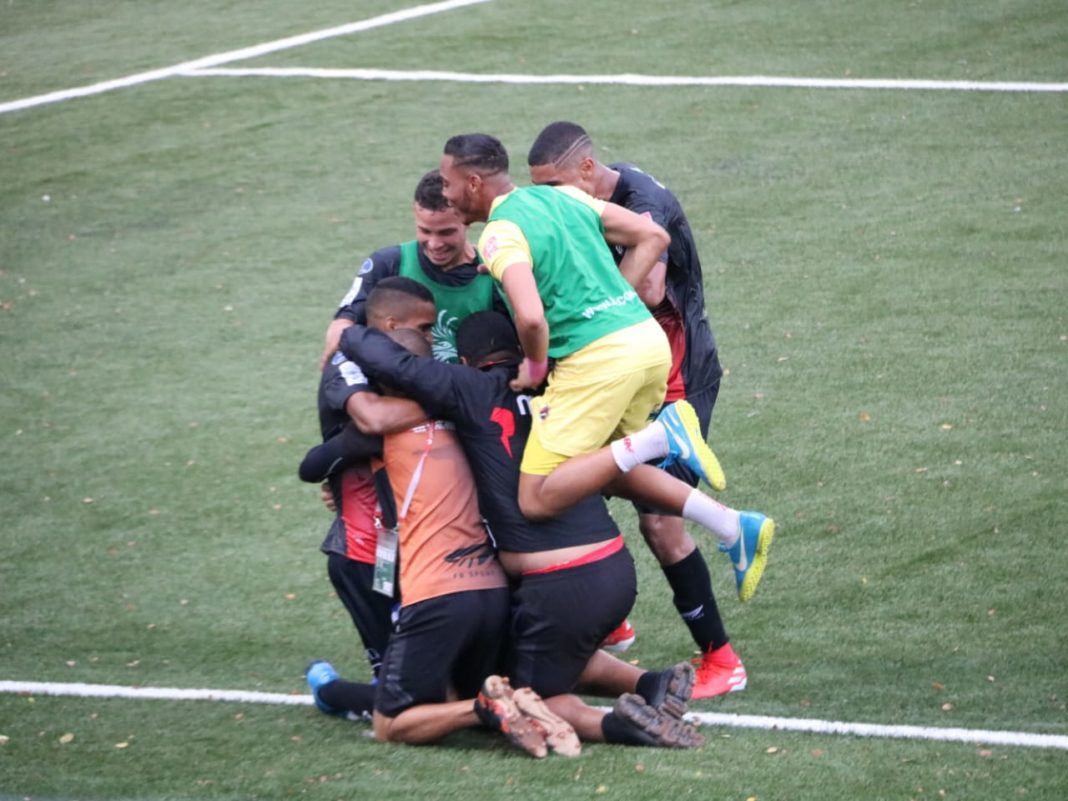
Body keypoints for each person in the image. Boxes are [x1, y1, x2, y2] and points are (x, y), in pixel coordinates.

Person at [340, 309, 731, 751]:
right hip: (612, 568)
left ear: (465, 362)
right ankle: (651, 684)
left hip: (559, 581)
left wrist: (346, 332)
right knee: (551, 656)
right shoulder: (557, 390)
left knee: (532, 696)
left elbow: (395, 371)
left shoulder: (471, 388)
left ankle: (622, 727)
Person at [526, 121, 775, 697]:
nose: (549, 199)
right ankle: (609, 619)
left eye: (555, 186)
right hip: (623, 369)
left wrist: (585, 308)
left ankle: (722, 660)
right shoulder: (592, 201)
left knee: (659, 522)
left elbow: (650, 291)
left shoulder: (642, 205)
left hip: (673, 374)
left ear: (587, 169)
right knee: (570, 468)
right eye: (539, 189)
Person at [437, 133, 726, 533]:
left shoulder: (499, 234)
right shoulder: (565, 197)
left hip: (601, 360)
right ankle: (732, 525)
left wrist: (535, 367)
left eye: (447, 183)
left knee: (535, 497)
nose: (445, 194)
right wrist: (616, 304)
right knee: (602, 465)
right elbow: (653, 236)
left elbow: (532, 318)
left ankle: (663, 435)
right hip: (646, 343)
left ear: (473, 183)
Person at [319, 169, 501, 368]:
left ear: (467, 220)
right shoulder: (387, 264)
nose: (434, 244)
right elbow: (343, 325)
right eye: (425, 231)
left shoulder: (491, 273)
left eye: (446, 232)